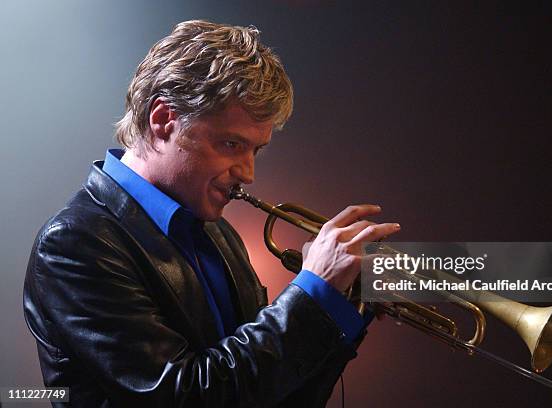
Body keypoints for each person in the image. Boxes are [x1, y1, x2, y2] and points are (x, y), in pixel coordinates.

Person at [23, 20, 400, 407]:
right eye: (232, 143)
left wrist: (339, 310)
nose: (248, 173)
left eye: (256, 150)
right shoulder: (74, 243)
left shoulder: (218, 232)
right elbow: (184, 397)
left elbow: (267, 395)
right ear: (163, 120)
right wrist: (312, 296)